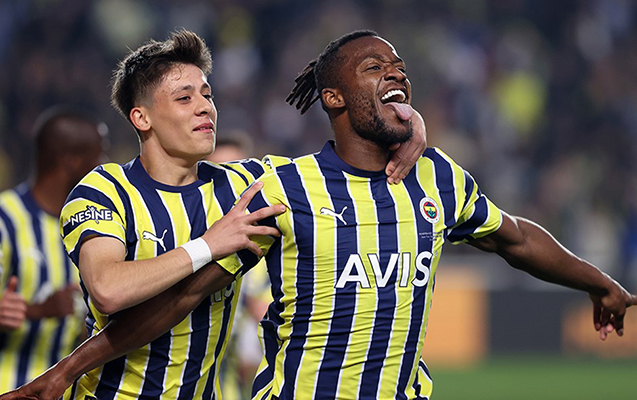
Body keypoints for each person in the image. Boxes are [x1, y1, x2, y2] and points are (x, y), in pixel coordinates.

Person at [0, 29, 426, 400]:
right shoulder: (105, 189)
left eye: (207, 95)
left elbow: (348, 160)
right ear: (141, 117)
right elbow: (108, 288)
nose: (205, 107)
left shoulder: (245, 185)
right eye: (184, 98)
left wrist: (407, 122)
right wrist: (208, 245)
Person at [0, 106, 107, 392]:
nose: (106, 169)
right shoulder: (5, 219)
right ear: (72, 162)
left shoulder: (92, 229)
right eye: (99, 158)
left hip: (66, 392)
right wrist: (35, 310)